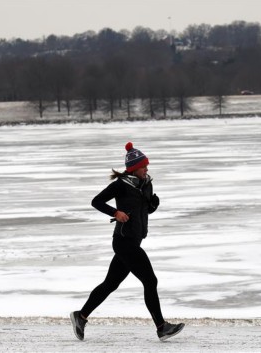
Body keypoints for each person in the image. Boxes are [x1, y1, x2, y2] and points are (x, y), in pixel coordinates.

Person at [70, 142, 185, 342]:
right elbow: (96, 201)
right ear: (134, 168)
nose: (147, 169)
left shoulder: (146, 184)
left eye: (147, 166)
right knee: (150, 281)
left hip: (135, 241)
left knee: (109, 285)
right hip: (123, 241)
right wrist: (116, 212)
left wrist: (152, 206)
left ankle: (80, 316)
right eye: (144, 166)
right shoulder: (121, 185)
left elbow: (143, 211)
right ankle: (161, 327)